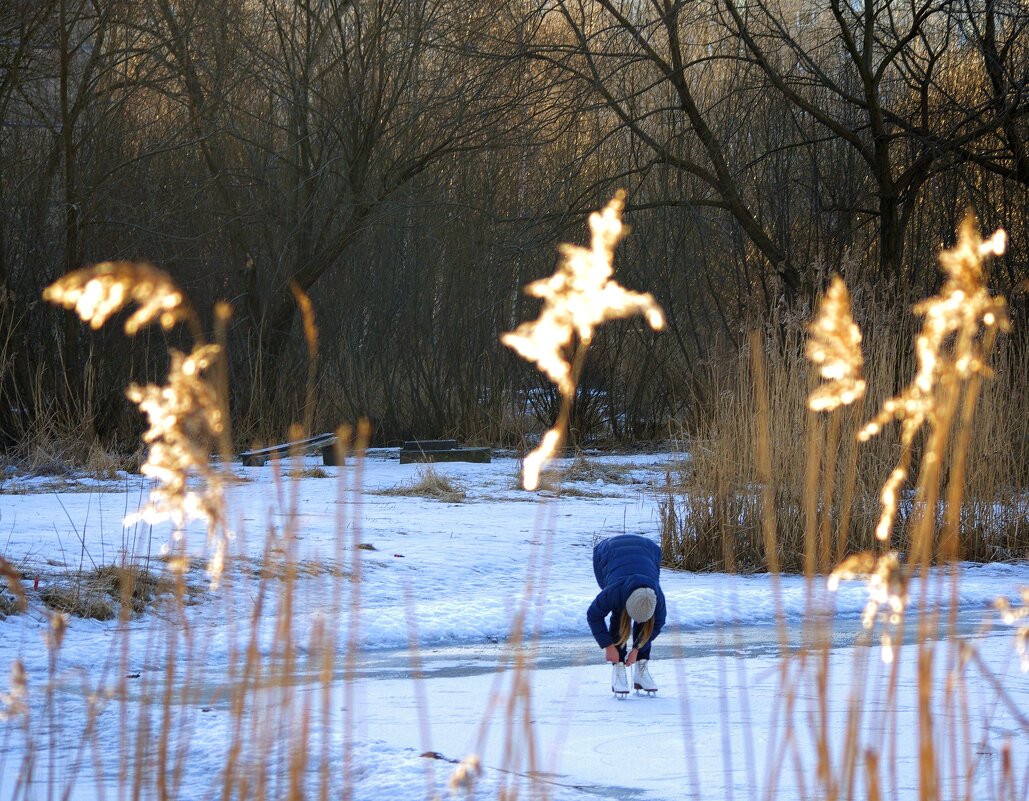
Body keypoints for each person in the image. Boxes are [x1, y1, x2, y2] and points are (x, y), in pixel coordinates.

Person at [587, 533, 667, 696]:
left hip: (648, 550)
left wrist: (638, 649)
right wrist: (608, 646)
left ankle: (641, 668)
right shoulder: (614, 592)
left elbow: (656, 624)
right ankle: (618, 667)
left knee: (646, 616)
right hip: (608, 552)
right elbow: (593, 615)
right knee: (619, 611)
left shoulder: (657, 598)